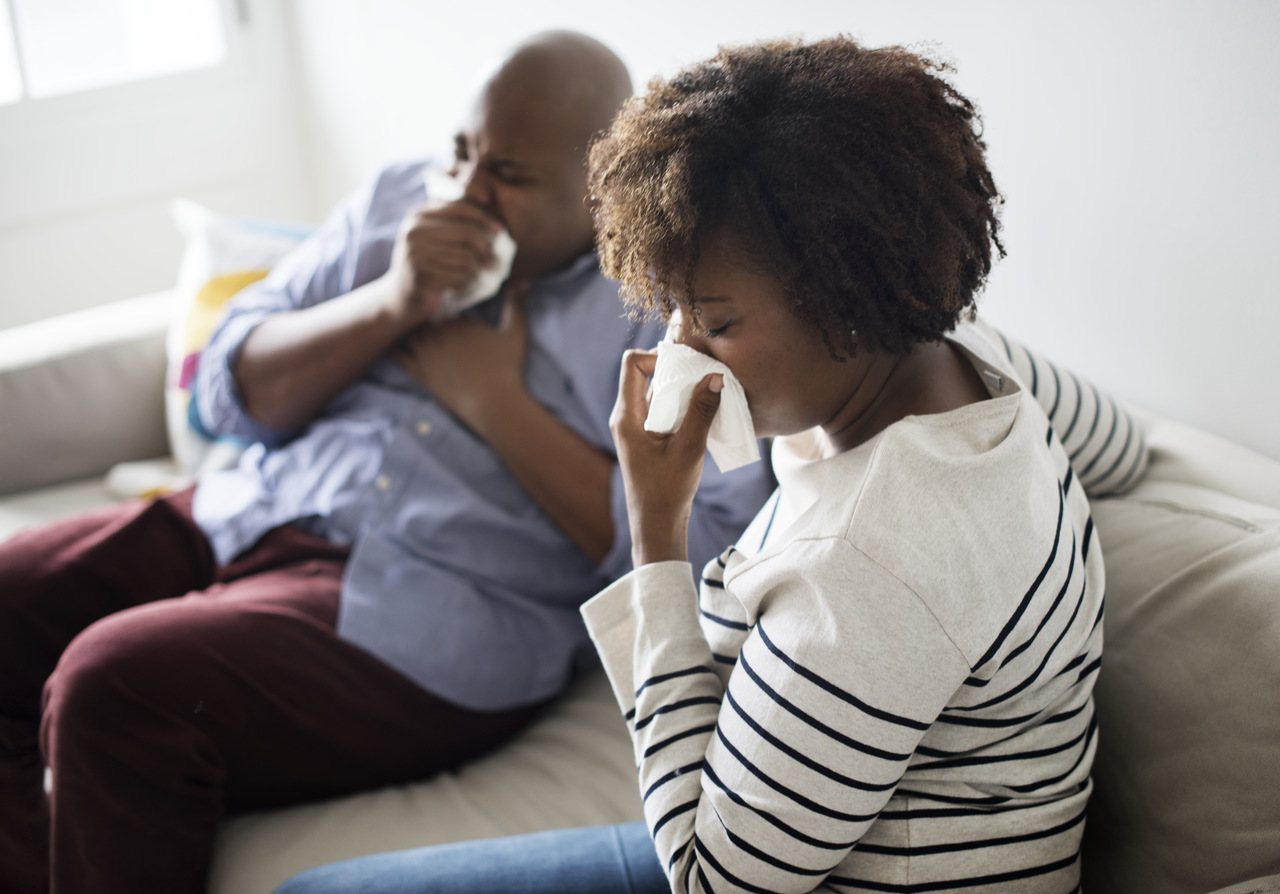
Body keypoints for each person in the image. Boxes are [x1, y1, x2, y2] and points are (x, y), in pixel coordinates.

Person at [275, 35, 1150, 894]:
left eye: (716, 322)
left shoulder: (871, 566)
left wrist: (656, 534)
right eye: (673, 309)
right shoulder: (966, 351)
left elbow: (709, 878)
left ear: (846, 304)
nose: (677, 349)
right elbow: (1123, 444)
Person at [0, 31, 777, 894]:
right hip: (251, 509)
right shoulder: (397, 202)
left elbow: (703, 558)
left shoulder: (670, 305)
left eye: (509, 176)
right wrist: (390, 304)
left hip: (424, 608)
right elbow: (220, 392)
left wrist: (497, 405)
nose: (467, 194)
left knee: (114, 685)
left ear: (603, 190)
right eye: (461, 153)